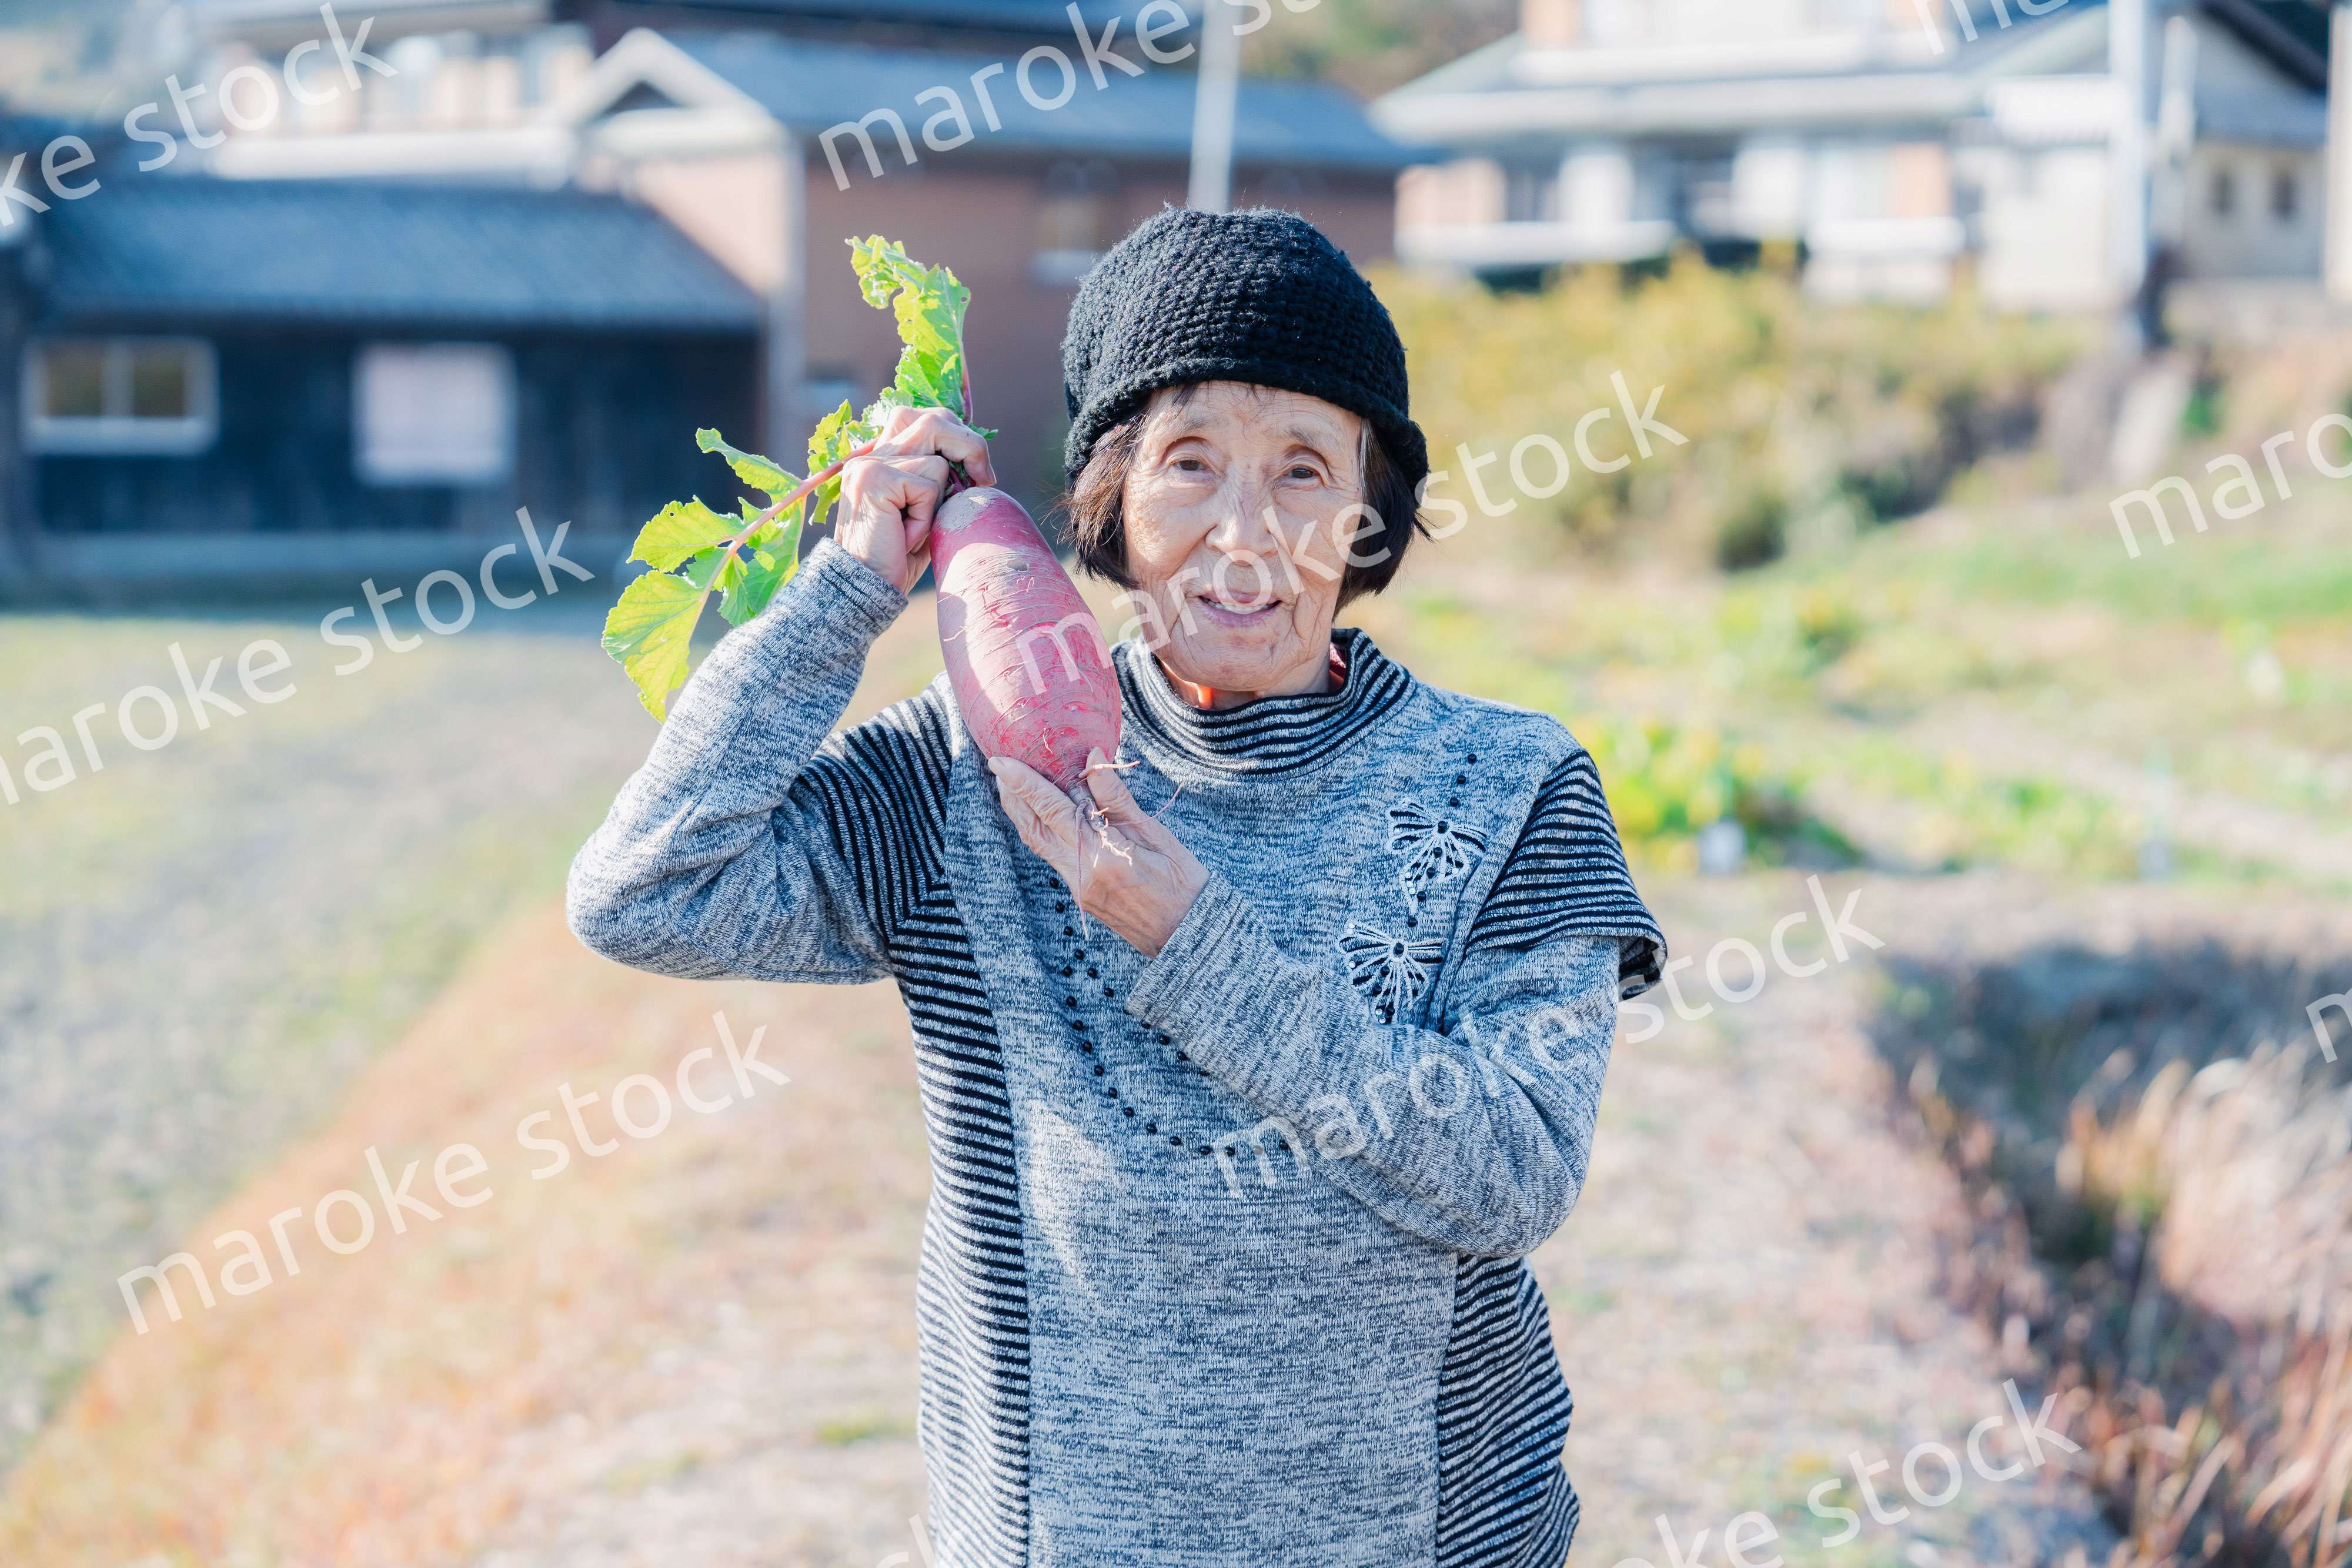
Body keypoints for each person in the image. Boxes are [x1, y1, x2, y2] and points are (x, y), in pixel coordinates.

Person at [567, 207, 1665, 1568]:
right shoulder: (965, 777)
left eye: (1306, 468)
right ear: (1110, 503)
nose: (1246, 528)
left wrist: (1193, 944)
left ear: (1367, 512)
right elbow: (645, 889)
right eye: (1189, 462)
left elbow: (1512, 1174)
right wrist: (849, 588)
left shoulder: (1508, 787)